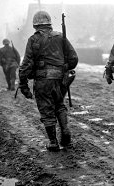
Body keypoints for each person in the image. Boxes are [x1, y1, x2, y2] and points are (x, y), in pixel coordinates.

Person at [18, 11, 78, 151]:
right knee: (59, 105)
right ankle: (66, 132)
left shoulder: (33, 40)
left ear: (35, 25)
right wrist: (64, 67)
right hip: (60, 80)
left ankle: (53, 142)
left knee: (46, 109)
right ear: (49, 23)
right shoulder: (60, 37)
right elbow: (73, 58)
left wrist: (23, 84)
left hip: (43, 81)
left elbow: (26, 65)